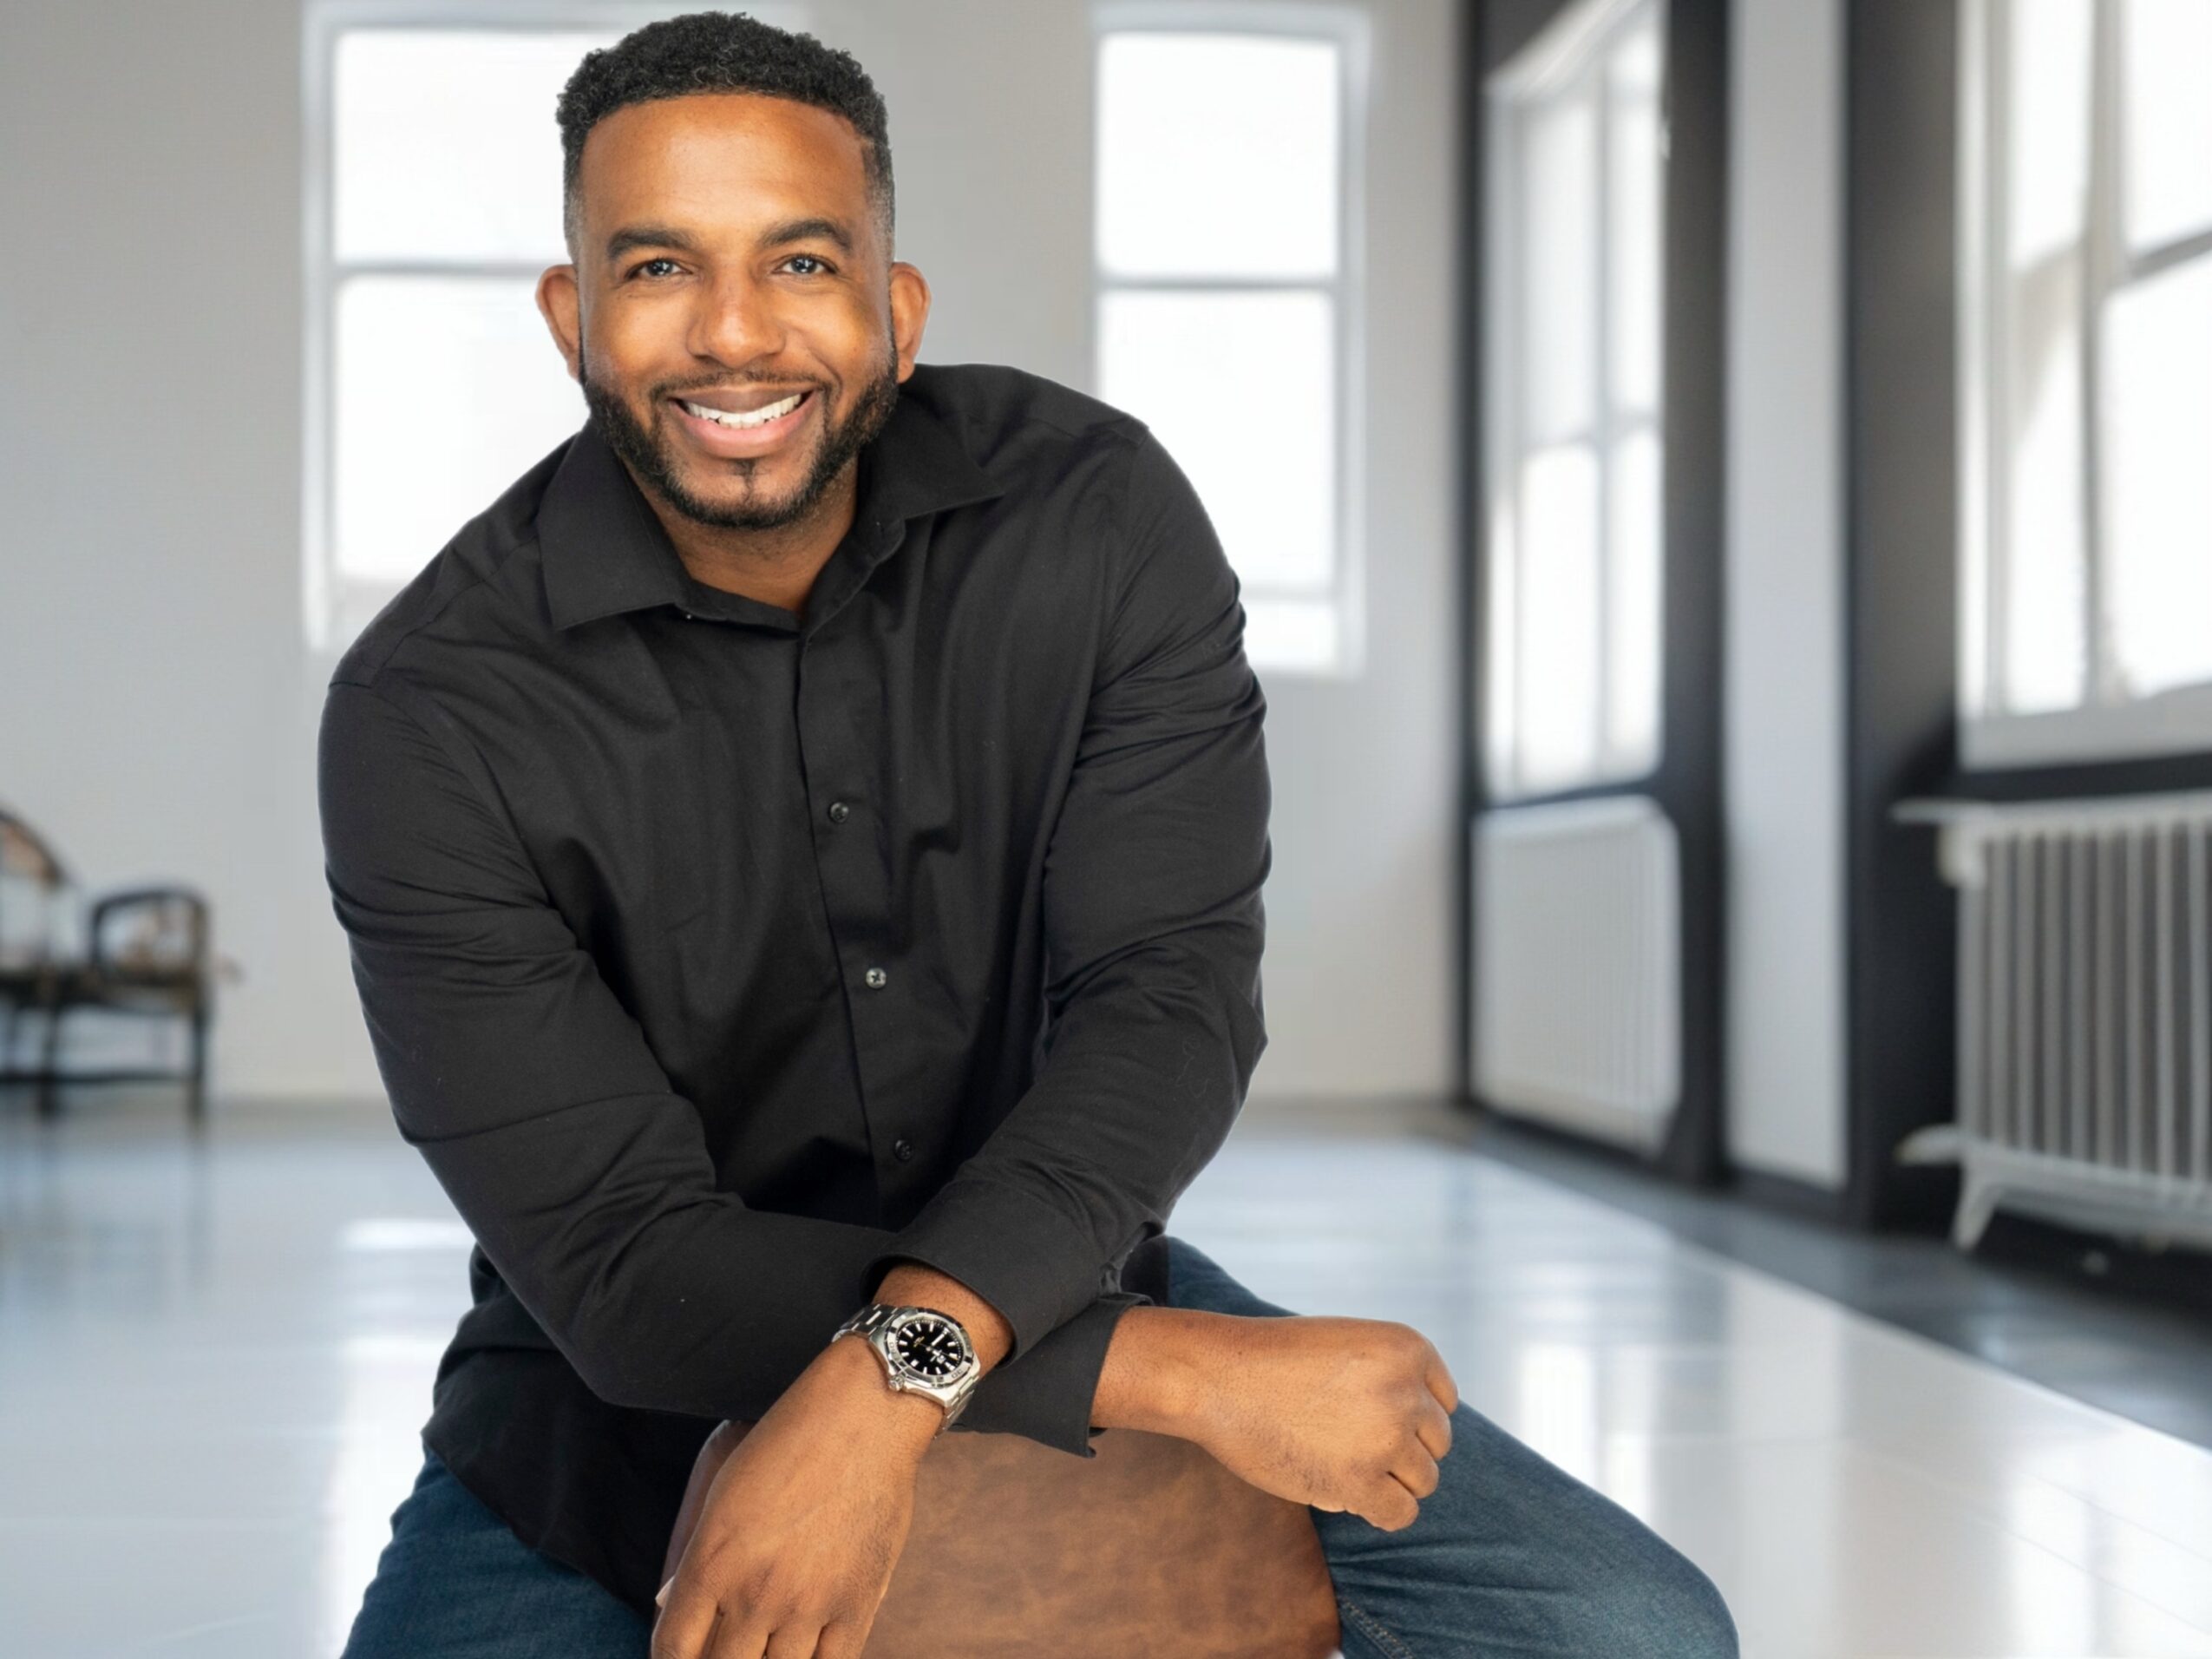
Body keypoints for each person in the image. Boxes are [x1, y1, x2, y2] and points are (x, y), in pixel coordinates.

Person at [317, 11, 1739, 1657]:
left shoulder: (1094, 517)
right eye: (654, 269)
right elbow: (630, 1271)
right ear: (573, 318)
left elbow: (1166, 1004)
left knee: (1626, 1631)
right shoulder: (431, 710)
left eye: (799, 261)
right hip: (626, 1398)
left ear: (892, 310)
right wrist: (1176, 1372)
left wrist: (885, 1390)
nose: (731, 334)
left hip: (1047, 1265)